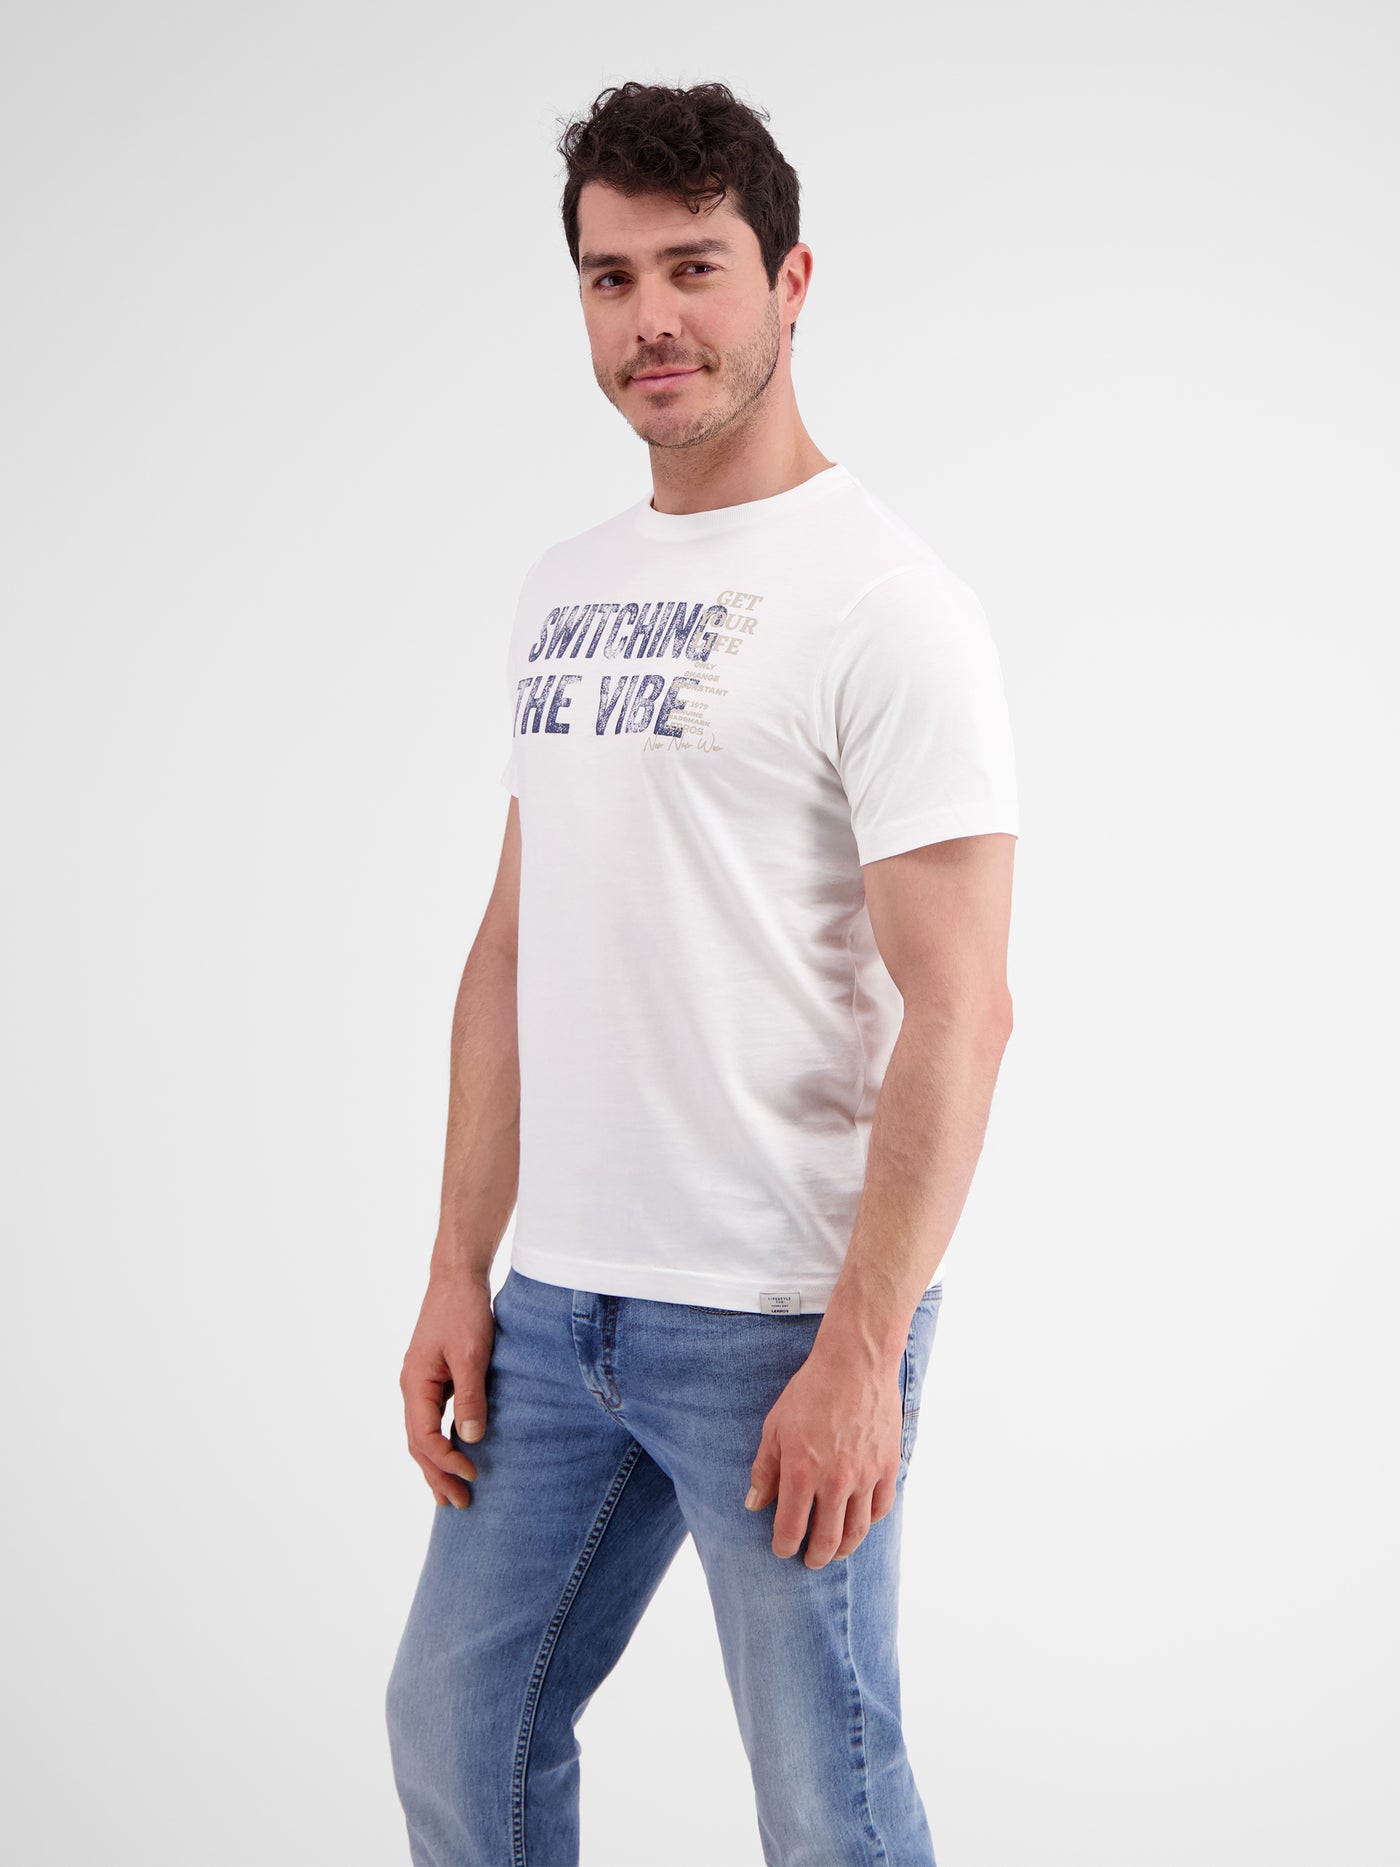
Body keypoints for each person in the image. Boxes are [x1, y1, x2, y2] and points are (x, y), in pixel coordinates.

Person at [385, 78, 1019, 1866]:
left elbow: (964, 1006)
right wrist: (458, 1265)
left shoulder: (887, 602)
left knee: (829, 1803)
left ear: (790, 281)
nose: (650, 317)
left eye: (694, 267)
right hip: (555, 1310)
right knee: (455, 1722)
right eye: (610, 278)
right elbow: (512, 947)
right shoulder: (562, 587)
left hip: (777, 1321)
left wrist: (863, 1353)